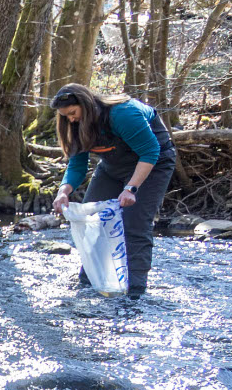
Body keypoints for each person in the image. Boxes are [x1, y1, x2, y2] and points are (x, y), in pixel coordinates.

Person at [49, 83, 178, 299]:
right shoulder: (75, 124)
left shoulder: (122, 113)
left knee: (134, 224)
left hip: (154, 162)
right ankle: (89, 283)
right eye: (65, 116)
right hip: (112, 167)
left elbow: (150, 151)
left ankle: (135, 292)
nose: (70, 119)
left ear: (86, 105)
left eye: (72, 113)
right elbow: (77, 164)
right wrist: (64, 191)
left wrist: (130, 189)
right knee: (92, 220)